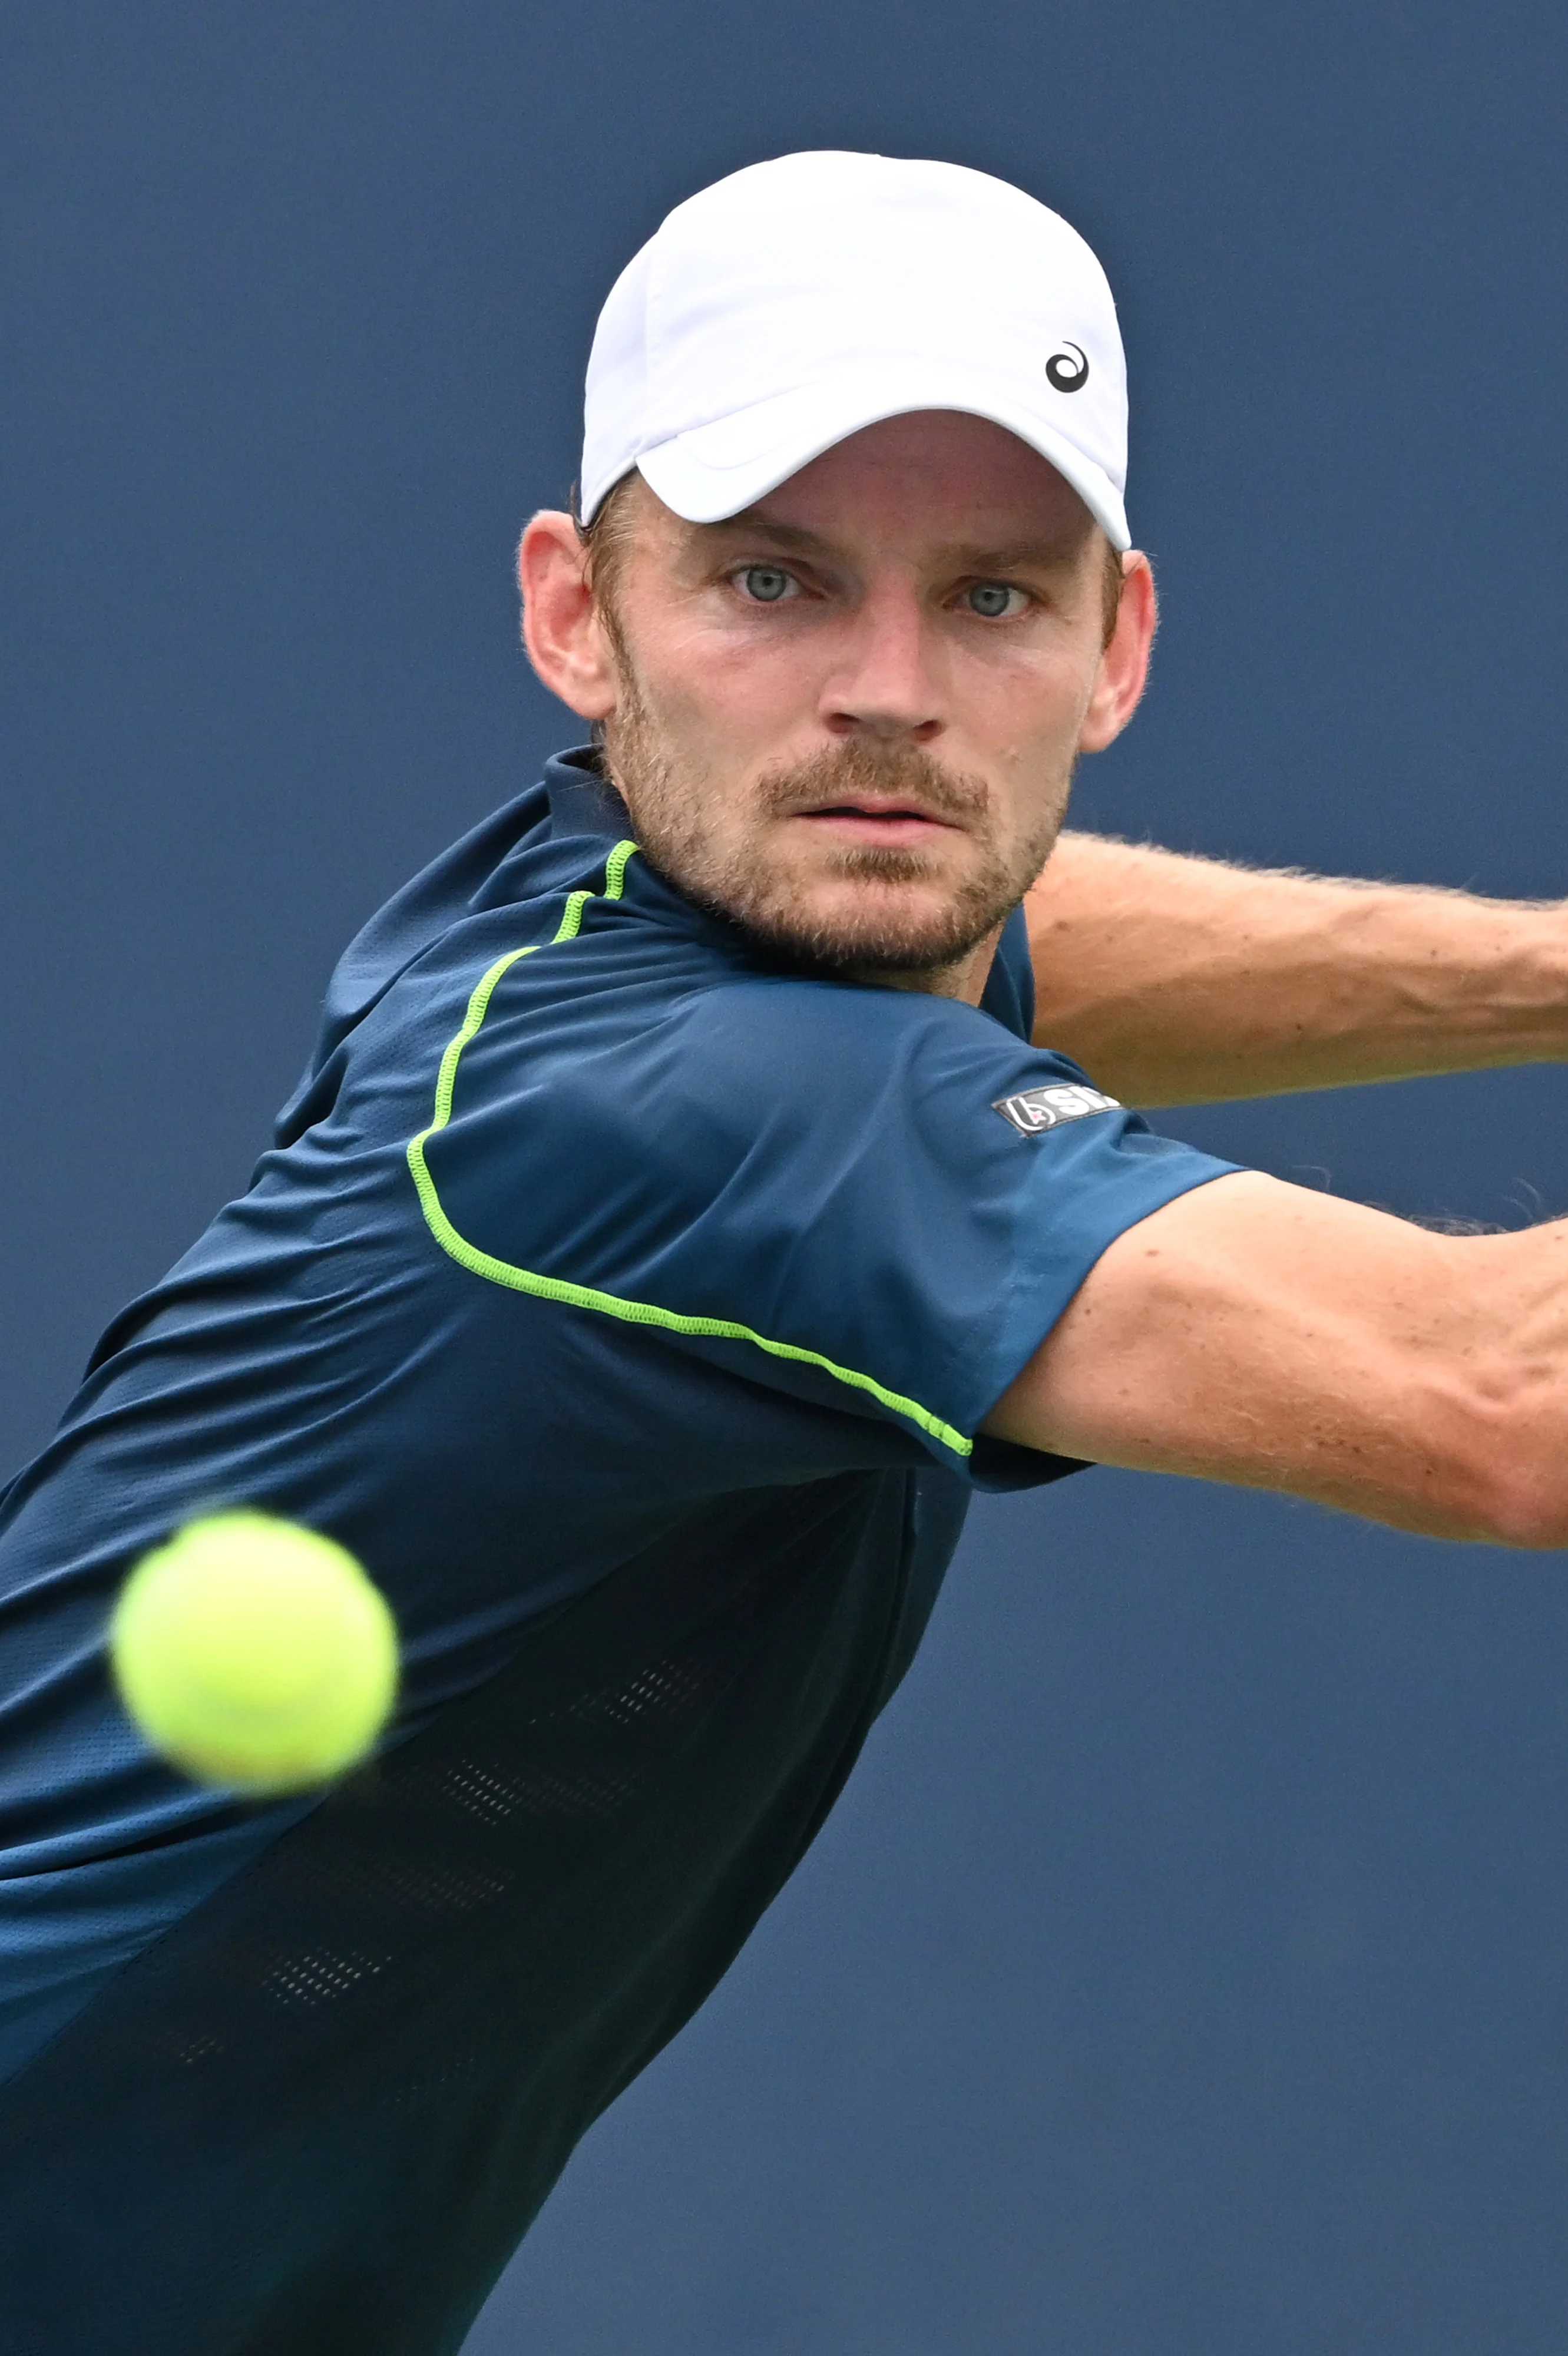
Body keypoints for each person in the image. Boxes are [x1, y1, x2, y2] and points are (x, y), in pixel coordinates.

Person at [0, 149, 1563, 2354]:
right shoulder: (704, 1117)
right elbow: (1504, 1405)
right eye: (772, 583)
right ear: (577, 612)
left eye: (995, 599)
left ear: (1116, 641)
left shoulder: (618, 930)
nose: (889, 698)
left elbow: (1009, 938)